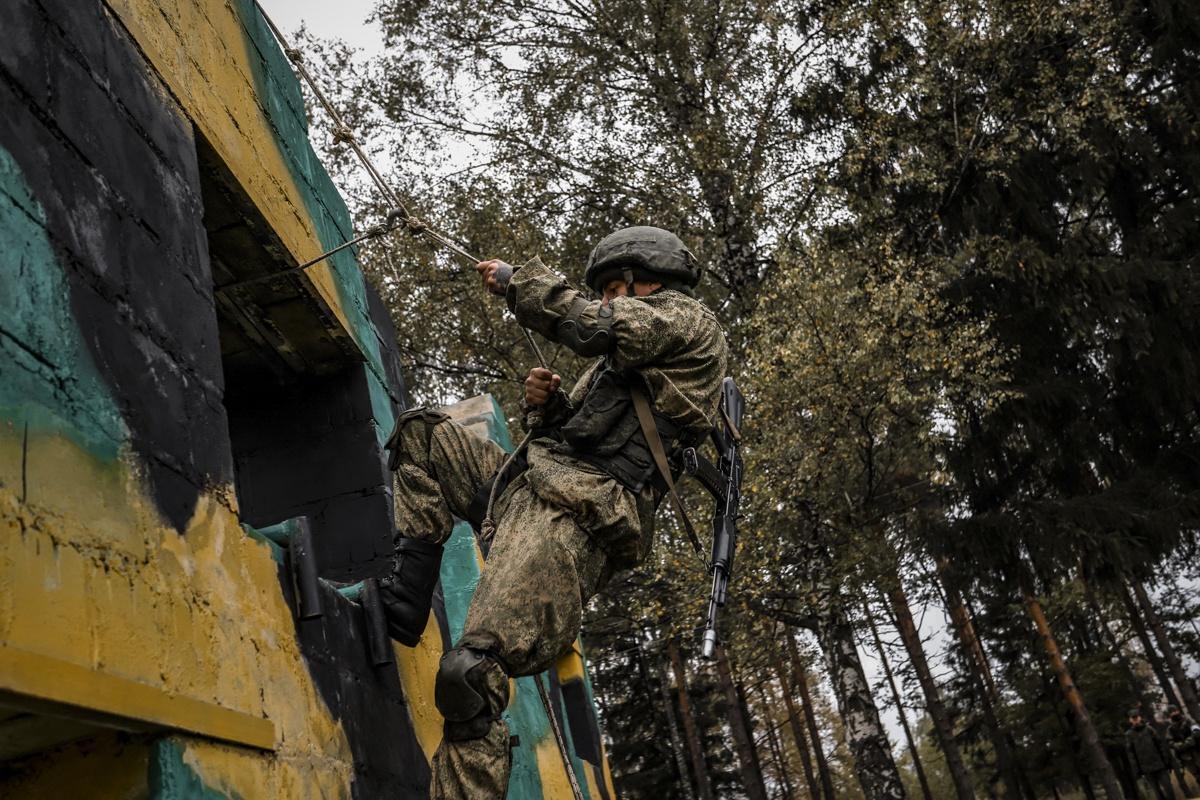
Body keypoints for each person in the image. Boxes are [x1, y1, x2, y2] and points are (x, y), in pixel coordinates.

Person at [375, 226, 729, 799]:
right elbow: (576, 436)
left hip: (577, 518)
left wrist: (520, 282)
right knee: (423, 436)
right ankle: (403, 601)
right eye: (606, 290)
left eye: (619, 287)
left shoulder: (688, 322)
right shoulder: (624, 359)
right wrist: (549, 408)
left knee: (469, 674)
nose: (611, 299)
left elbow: (590, 325)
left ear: (654, 281)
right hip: (529, 486)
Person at [1126, 709, 1180, 800]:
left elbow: (1160, 745)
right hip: (1146, 769)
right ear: (1130, 720)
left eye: (1136, 717)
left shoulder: (1149, 729)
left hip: (1159, 765)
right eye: (1133, 718)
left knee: (1169, 789)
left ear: (1140, 718)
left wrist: (1166, 762)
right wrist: (1137, 771)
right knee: (1158, 793)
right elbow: (1131, 755)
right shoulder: (1129, 735)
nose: (1135, 719)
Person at [1166, 706, 1200, 790]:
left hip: (1197, 751)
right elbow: (1170, 742)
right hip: (1186, 757)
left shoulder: (1189, 721)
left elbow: (1196, 731)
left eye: (1174, 711)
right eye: (1171, 712)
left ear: (1178, 711)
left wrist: (1188, 741)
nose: (1174, 713)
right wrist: (1178, 745)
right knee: (1198, 777)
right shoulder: (1170, 729)